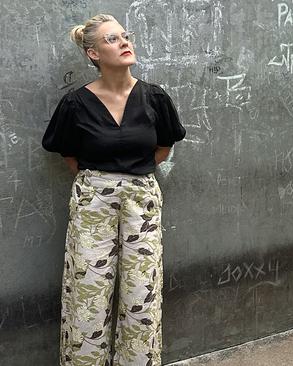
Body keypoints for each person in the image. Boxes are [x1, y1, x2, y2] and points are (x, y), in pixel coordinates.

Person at [42, 14, 185, 365]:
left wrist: (130, 179)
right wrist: (103, 183)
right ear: (93, 54)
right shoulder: (76, 104)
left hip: (142, 200)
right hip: (93, 201)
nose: (124, 42)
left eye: (125, 35)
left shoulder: (154, 98)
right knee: (87, 295)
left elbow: (163, 148)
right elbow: (68, 153)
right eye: (111, 39)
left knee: (142, 294)